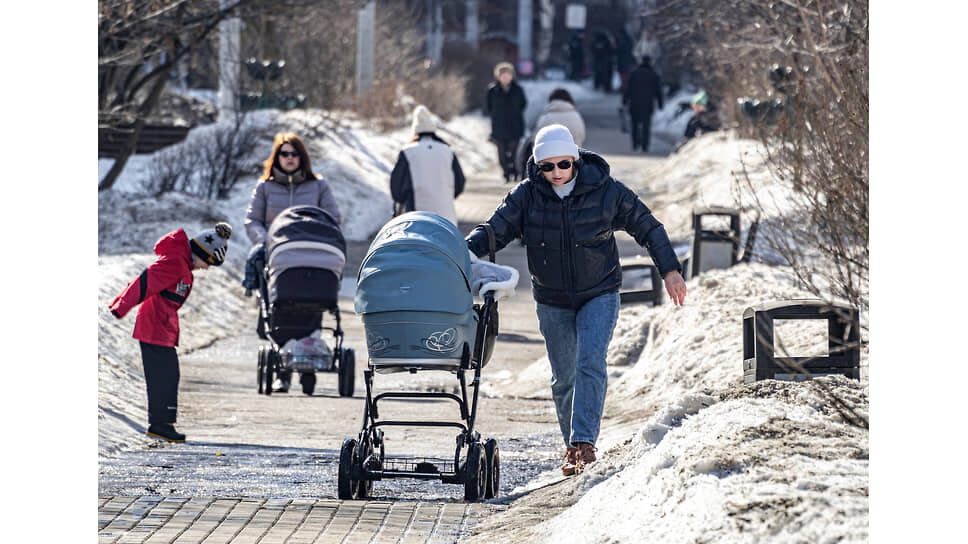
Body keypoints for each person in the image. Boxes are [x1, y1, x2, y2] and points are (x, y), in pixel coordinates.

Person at [465, 124, 686, 476]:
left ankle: (584, 444)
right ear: (537, 167)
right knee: (564, 376)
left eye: (563, 164)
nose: (556, 173)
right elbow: (494, 230)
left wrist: (669, 269)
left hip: (599, 291)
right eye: (547, 167)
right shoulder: (526, 195)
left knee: (590, 363)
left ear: (576, 159)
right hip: (551, 297)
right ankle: (571, 444)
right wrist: (460, 252)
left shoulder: (605, 190)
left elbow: (647, 226)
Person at [109, 222, 233, 443]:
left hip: (163, 327)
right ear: (201, 253)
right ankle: (159, 425)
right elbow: (144, 282)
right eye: (208, 263)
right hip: (154, 326)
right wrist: (121, 306)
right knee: (162, 377)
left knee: (169, 375)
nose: (206, 268)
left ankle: (164, 424)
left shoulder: (183, 266)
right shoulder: (175, 264)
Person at [244, 132, 342, 392]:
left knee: (311, 309)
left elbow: (333, 217)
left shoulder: (318, 186)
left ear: (302, 157)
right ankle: (283, 373)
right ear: (277, 157)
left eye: (294, 154)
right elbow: (252, 219)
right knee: (279, 310)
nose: (289, 158)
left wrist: (319, 235)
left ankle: (308, 370)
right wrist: (265, 241)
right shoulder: (265, 187)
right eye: (284, 154)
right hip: (278, 256)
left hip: (311, 255)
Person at [389, 105, 466, 226]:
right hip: (447, 220)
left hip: (417, 219)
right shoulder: (448, 151)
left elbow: (397, 188)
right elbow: (459, 182)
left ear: (415, 130)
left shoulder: (408, 152)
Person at [518, 88, 586, 178]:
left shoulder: (546, 117)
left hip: (549, 164)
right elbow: (582, 136)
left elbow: (536, 139)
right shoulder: (576, 116)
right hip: (571, 161)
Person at [485, 62, 527, 182]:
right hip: (499, 127)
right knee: (502, 153)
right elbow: (488, 107)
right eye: (502, 75)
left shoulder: (518, 90)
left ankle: (515, 171)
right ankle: (506, 173)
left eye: (507, 74)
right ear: (498, 76)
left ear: (512, 76)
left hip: (515, 126)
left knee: (514, 152)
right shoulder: (492, 91)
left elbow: (523, 104)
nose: (505, 77)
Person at [623, 55, 664, 152]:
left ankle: (635, 144)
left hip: (634, 103)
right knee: (646, 125)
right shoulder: (653, 74)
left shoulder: (634, 73)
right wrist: (660, 103)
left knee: (634, 124)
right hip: (647, 104)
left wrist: (625, 100)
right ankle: (645, 145)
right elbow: (658, 91)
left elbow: (627, 88)